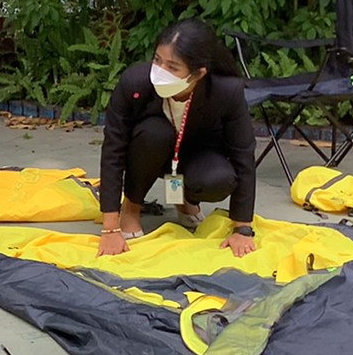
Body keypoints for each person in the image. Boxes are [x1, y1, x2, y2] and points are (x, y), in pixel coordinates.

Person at [98, 18, 258, 259]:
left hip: (196, 153)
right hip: (148, 151)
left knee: (219, 178)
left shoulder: (227, 91)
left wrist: (242, 229)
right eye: (157, 60)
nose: (160, 71)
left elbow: (243, 154)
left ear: (198, 73)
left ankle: (186, 198)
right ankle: (131, 206)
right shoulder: (134, 82)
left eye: (172, 67)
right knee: (155, 133)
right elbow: (113, 149)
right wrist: (110, 227)